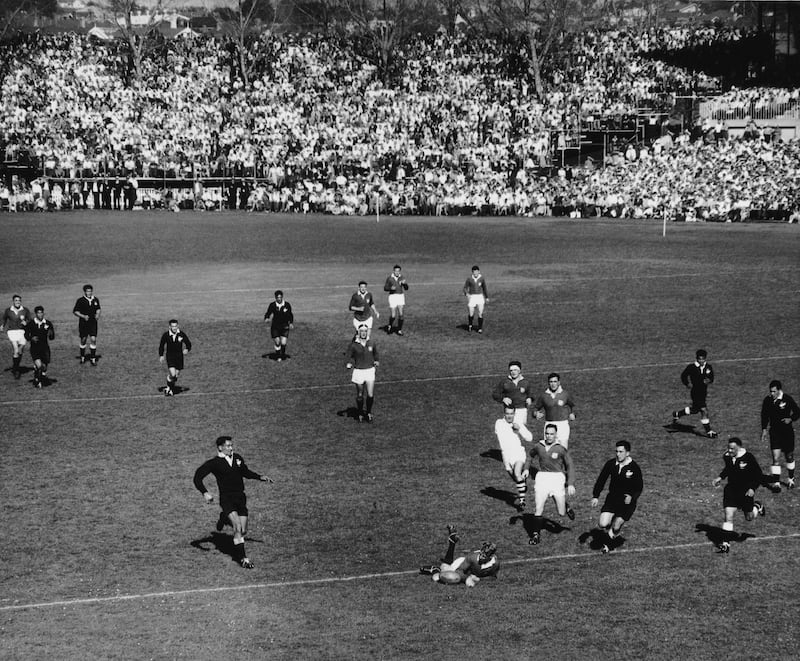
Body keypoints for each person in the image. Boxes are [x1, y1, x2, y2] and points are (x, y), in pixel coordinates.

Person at [193, 435, 273, 569]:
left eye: (231, 445)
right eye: (228, 446)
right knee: (237, 528)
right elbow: (197, 477)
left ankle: (224, 518)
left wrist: (260, 477)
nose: (231, 448)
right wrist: (205, 492)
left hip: (240, 498)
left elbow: (245, 472)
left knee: (243, 531)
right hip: (227, 499)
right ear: (220, 447)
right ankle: (244, 559)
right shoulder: (214, 463)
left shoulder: (237, 458)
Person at [712, 437, 767, 553]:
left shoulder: (748, 457)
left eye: (732, 449)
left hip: (745, 491)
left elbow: (758, 475)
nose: (730, 451)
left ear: (739, 447)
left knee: (749, 517)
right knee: (728, 515)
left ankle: (757, 506)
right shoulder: (727, 456)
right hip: (731, 490)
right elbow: (728, 469)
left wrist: (752, 488)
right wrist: (720, 477)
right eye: (729, 448)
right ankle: (726, 544)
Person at [590, 440, 644, 553]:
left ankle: (608, 544)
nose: (618, 454)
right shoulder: (611, 464)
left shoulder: (634, 467)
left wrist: (632, 497)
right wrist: (596, 496)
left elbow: (639, 487)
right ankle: (610, 530)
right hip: (613, 499)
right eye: (617, 451)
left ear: (627, 453)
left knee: (616, 526)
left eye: (621, 452)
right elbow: (601, 479)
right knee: (602, 524)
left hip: (627, 502)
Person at [527, 423, 576, 545]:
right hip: (542, 478)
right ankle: (535, 535)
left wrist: (570, 483)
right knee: (538, 508)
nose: (549, 436)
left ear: (556, 435)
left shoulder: (560, 449)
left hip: (557, 479)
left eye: (551, 434)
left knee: (561, 513)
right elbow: (530, 456)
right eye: (547, 433)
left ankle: (566, 506)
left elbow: (569, 465)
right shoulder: (539, 446)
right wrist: (526, 469)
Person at [419, 525, 498, 587]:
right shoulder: (472, 557)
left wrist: (479, 579)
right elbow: (459, 571)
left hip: (470, 572)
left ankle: (452, 540)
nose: (482, 556)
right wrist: (467, 578)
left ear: (491, 557)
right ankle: (436, 569)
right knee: (442, 576)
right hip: (462, 564)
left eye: (485, 555)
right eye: (482, 553)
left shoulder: (495, 563)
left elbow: (492, 577)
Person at [761, 380, 800, 490]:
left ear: (779, 390)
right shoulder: (767, 401)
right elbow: (764, 415)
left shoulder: (787, 399)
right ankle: (777, 483)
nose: (771, 394)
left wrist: (790, 419)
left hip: (787, 432)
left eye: (774, 391)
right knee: (776, 458)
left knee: (789, 456)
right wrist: (764, 429)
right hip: (775, 432)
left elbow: (797, 411)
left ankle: (791, 479)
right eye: (770, 391)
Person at [494, 405, 534, 511]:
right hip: (506, 456)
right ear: (504, 414)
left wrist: (519, 429)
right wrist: (513, 430)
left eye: (511, 414)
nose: (509, 416)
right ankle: (523, 482)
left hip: (518, 452)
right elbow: (503, 435)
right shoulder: (499, 423)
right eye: (507, 413)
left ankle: (522, 501)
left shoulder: (518, 423)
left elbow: (530, 438)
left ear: (514, 414)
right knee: (516, 478)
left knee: (517, 473)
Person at [671, 349, 718, 438]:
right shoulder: (691, 367)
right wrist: (687, 383)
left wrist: (709, 380)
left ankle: (677, 414)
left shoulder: (708, 367)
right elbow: (683, 375)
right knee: (704, 410)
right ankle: (709, 431)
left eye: (703, 359)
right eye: (699, 359)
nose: (701, 361)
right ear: (696, 359)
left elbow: (711, 377)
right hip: (695, 393)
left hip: (703, 392)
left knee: (695, 410)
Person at [533, 372, 576, 447]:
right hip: (549, 425)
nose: (553, 384)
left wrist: (573, 414)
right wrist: (536, 414)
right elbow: (535, 408)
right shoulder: (544, 396)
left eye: (555, 381)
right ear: (548, 383)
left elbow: (573, 405)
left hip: (563, 425)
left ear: (559, 382)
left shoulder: (565, 394)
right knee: (549, 449)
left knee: (563, 448)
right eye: (551, 382)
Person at [346, 323, 379, 422]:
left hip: (369, 370)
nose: (364, 333)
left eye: (365, 331)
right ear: (358, 332)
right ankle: (360, 412)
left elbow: (376, 354)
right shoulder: (354, 345)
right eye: (362, 331)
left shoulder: (371, 342)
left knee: (370, 394)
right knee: (360, 394)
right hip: (359, 371)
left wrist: (376, 361)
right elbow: (347, 356)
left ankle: (368, 412)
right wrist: (348, 363)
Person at [158, 319, 192, 396]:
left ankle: (169, 388)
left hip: (179, 357)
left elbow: (188, 343)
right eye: (173, 326)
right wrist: (161, 355)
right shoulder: (166, 335)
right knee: (173, 374)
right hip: (170, 356)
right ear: (169, 327)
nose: (174, 328)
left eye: (176, 326)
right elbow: (161, 345)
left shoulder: (181, 334)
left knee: (175, 376)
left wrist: (187, 349)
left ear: (178, 326)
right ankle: (169, 390)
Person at [492, 360, 532, 425]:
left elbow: (530, 394)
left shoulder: (525, 382)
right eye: (511, 370)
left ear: (519, 370)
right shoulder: (505, 382)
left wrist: (530, 398)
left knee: (520, 431)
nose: (513, 372)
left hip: (522, 410)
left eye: (515, 370)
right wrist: (503, 399)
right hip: (509, 411)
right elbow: (495, 394)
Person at [1, 294, 31, 379]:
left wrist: (26, 323)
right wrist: (2, 325)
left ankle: (15, 366)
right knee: (16, 349)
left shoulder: (25, 310)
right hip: (12, 332)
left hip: (22, 332)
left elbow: (30, 319)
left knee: (20, 350)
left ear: (21, 301)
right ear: (13, 301)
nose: (17, 302)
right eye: (16, 300)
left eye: (19, 300)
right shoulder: (8, 310)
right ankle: (16, 370)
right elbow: (4, 318)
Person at [24, 306, 55, 388]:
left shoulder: (48, 323)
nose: (40, 314)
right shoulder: (31, 324)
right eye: (38, 313)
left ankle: (38, 375)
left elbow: (52, 338)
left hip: (45, 348)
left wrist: (51, 334)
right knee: (39, 365)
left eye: (41, 313)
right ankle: (38, 382)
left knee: (44, 367)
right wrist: (31, 338)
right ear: (36, 314)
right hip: (35, 348)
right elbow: (26, 335)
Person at [72, 284, 101, 365]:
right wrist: (83, 316)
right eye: (88, 291)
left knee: (93, 339)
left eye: (90, 291)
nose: (89, 293)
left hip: (93, 323)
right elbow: (75, 311)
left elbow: (98, 309)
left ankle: (93, 358)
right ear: (84, 292)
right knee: (83, 340)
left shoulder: (95, 299)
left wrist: (98, 315)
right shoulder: (80, 300)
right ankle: (82, 357)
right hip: (83, 323)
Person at [263, 290, 294, 361]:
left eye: (280, 297)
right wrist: (266, 318)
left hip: (284, 326)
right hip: (275, 326)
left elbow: (290, 315)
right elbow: (268, 313)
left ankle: (282, 355)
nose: (279, 299)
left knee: (283, 343)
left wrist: (291, 323)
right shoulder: (272, 305)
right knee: (277, 342)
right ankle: (278, 356)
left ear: (282, 297)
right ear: (275, 298)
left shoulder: (287, 305)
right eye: (277, 297)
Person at [383, 265, 409, 335]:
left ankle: (399, 330)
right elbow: (385, 288)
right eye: (396, 271)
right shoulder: (389, 278)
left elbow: (406, 288)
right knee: (393, 315)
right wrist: (390, 288)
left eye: (398, 271)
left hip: (400, 296)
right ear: (393, 271)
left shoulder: (402, 277)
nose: (397, 272)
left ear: (400, 271)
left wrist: (404, 284)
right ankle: (390, 325)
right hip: (392, 296)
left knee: (401, 314)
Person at [463, 265, 489, 333]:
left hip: (480, 297)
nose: (475, 274)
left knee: (480, 312)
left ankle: (480, 328)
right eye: (474, 272)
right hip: (472, 297)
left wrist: (486, 297)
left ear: (479, 272)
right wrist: (467, 294)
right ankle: (470, 325)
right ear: (472, 272)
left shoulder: (482, 278)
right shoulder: (469, 279)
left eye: (476, 272)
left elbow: (484, 288)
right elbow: (465, 288)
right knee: (471, 313)